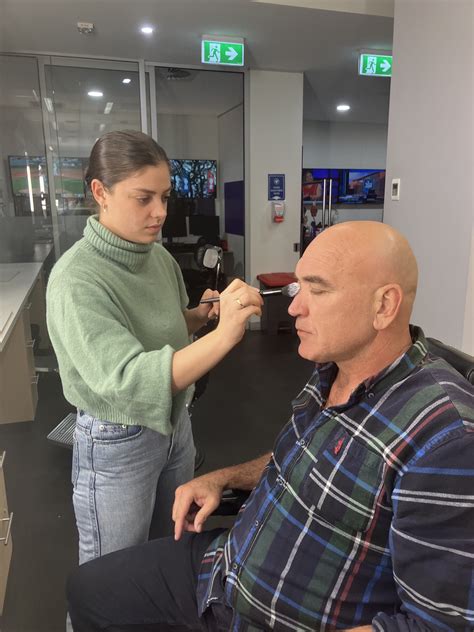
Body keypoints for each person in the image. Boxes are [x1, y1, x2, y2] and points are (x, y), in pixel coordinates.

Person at [67, 221, 474, 631]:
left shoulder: (445, 439)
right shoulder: (334, 369)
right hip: (224, 566)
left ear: (384, 306)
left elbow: (437, 625)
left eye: (318, 290)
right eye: (298, 288)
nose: (295, 307)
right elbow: (307, 456)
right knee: (88, 589)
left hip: (269, 616)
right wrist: (225, 478)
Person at [46, 130, 262, 566]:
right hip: (117, 437)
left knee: (168, 547)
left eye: (164, 197)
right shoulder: (77, 279)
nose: (160, 212)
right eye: (143, 198)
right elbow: (129, 379)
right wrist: (223, 336)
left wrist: (199, 316)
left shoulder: (158, 258)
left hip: (174, 424)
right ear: (100, 192)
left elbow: (161, 328)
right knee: (112, 571)